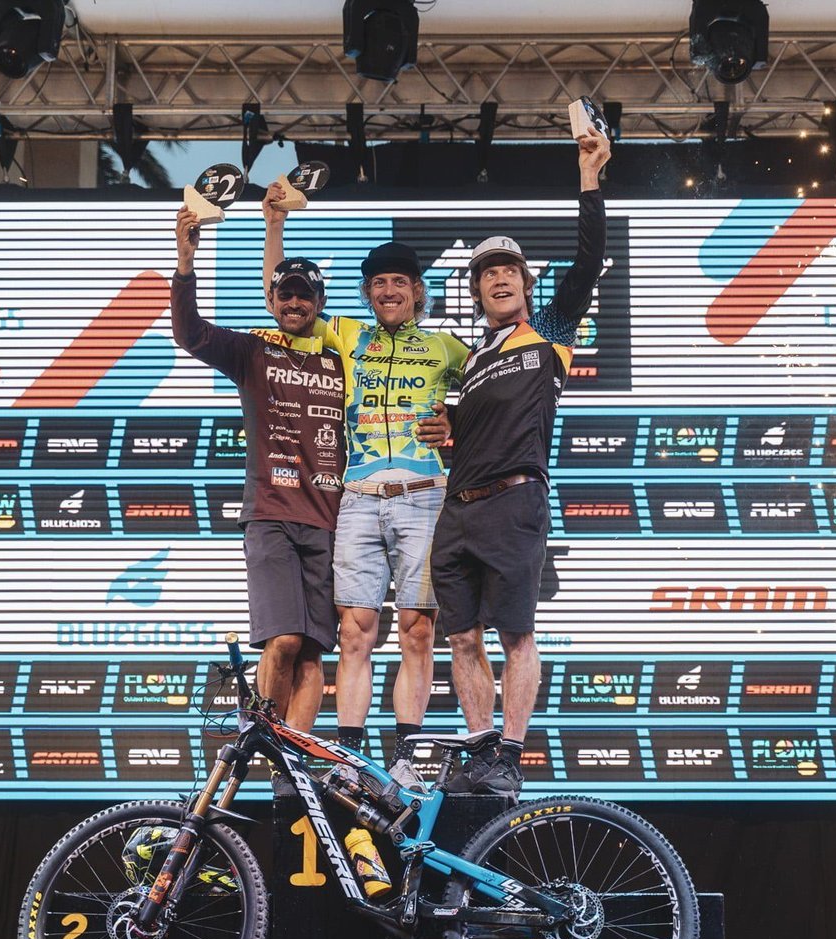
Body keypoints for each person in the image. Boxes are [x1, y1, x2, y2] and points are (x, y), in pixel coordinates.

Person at [262, 186, 464, 789]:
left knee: (419, 629)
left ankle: (406, 756)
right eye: (378, 283)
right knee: (354, 631)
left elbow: (495, 396)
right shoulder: (348, 335)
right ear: (367, 293)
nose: (389, 291)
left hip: (425, 495)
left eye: (400, 282)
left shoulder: (447, 346)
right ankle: (349, 756)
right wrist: (274, 225)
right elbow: (281, 298)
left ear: (418, 292)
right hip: (357, 497)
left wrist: (457, 419)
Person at [431, 130, 612, 798]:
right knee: (461, 639)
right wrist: (445, 429)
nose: (500, 277)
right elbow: (469, 433)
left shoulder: (551, 333)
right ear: (476, 291)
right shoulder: (472, 359)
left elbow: (587, 263)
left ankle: (509, 755)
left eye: (509, 269)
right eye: (487, 273)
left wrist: (589, 177)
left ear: (526, 284)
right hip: (457, 510)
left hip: (515, 501)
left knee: (516, 635)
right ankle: (481, 750)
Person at [169, 206, 346, 740]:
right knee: (284, 640)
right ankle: (263, 740)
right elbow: (190, 334)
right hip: (271, 514)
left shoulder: (344, 358)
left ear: (320, 304)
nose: (293, 302)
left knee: (312, 653)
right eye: (284, 294)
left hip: (332, 520)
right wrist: (185, 262)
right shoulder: (253, 349)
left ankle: (293, 765)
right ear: (270, 302)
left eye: (304, 295)